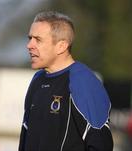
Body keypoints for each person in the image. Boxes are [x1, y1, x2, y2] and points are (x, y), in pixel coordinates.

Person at [18, 11, 113, 151]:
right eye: (30, 38)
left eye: (37, 39)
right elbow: (25, 137)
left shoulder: (82, 81)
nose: (29, 45)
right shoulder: (38, 79)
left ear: (61, 46)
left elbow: (101, 144)